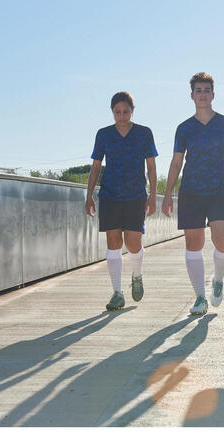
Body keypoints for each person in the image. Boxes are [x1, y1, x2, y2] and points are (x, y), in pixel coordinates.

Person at [162, 72, 224, 315]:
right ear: (192, 95)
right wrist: (167, 193)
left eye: (206, 90)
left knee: (223, 243)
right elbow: (176, 162)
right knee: (194, 244)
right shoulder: (184, 128)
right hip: (191, 191)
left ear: (213, 94)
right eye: (198, 90)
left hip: (220, 189)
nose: (202, 94)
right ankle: (199, 297)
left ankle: (217, 280)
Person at [86, 91, 158, 310]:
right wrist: (89, 195)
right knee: (113, 243)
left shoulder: (144, 133)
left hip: (136, 194)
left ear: (132, 111)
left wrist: (153, 195)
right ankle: (117, 292)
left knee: (133, 243)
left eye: (126, 111)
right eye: (117, 112)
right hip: (110, 195)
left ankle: (137, 275)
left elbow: (152, 166)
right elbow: (96, 166)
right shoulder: (104, 134)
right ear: (112, 112)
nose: (122, 116)